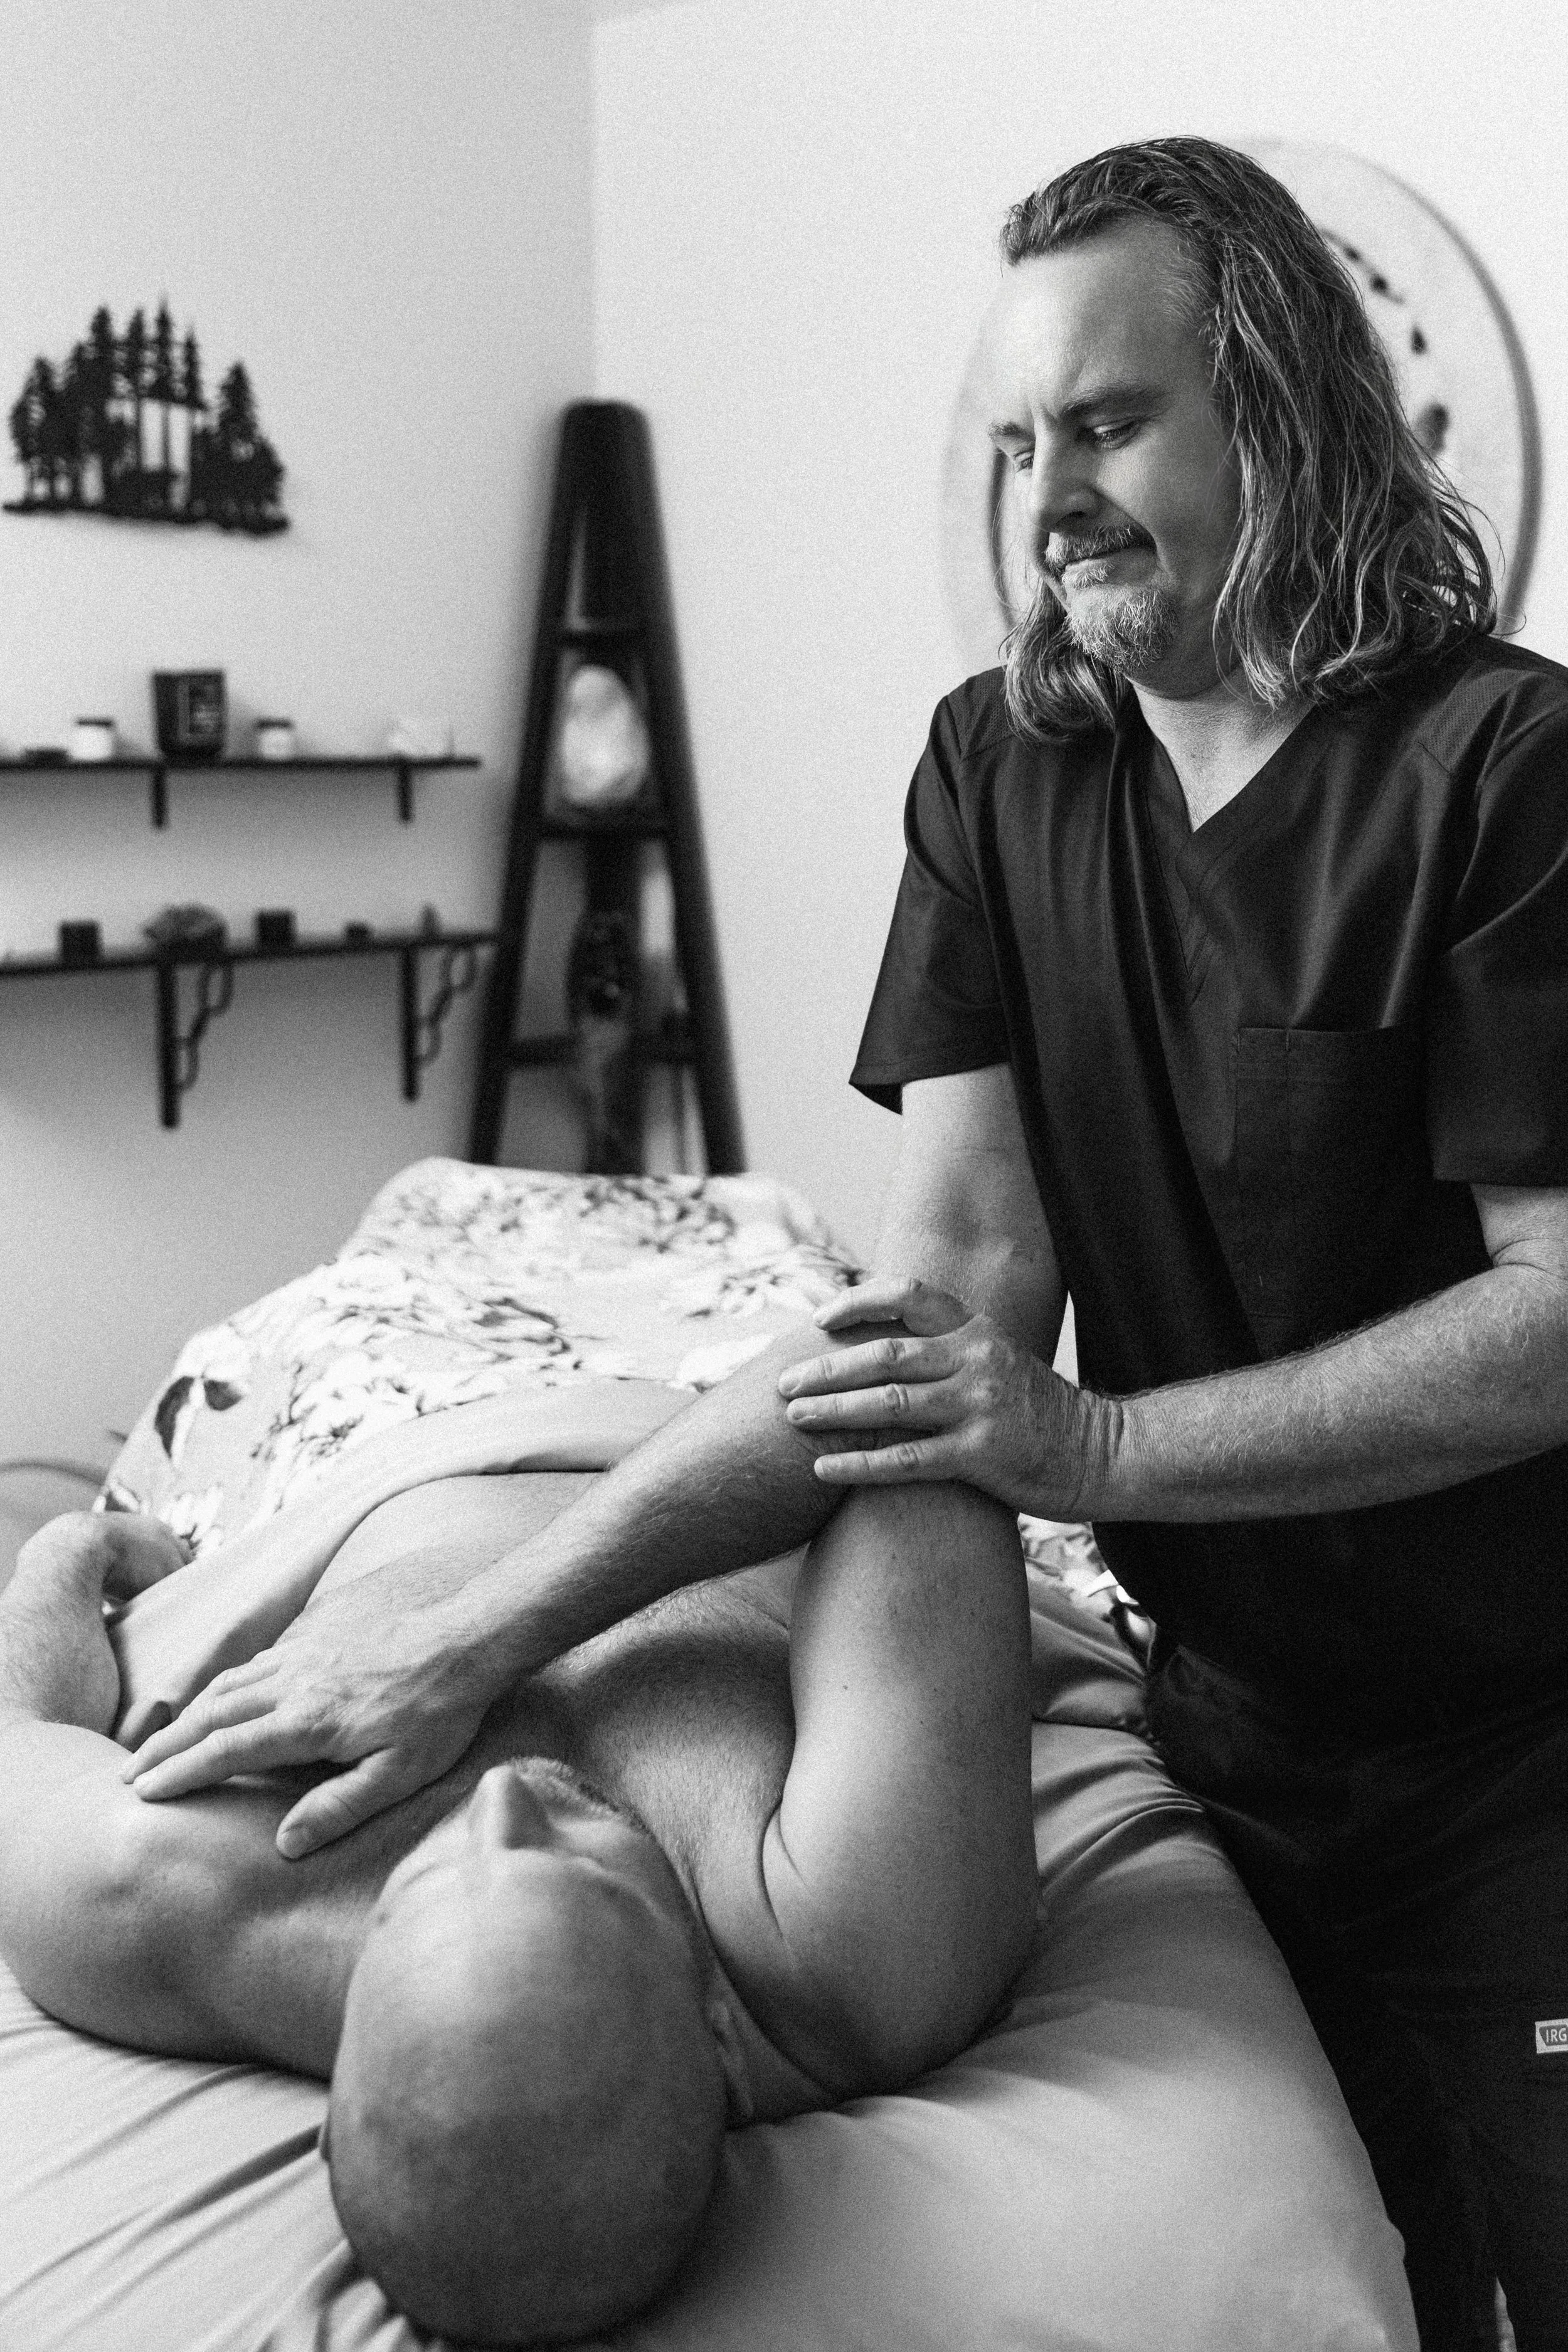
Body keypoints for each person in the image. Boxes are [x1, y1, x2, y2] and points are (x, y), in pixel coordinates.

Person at [114, 138, 1568, 2344]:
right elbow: (955, 1304)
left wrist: (1095, 1459)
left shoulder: (1504, 769)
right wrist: (475, 1635)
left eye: (1103, 424)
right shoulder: (1002, 771)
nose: (1048, 498)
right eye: (1019, 446)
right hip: (1229, 1727)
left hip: (1516, 1753)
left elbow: (1556, 1318)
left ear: (1280, 411)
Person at [0, 1451, 1036, 2346]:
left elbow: (17, 1732)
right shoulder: (869, 1936)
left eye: (408, 1895)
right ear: (717, 2031)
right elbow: (921, 1400)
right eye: (584, 1873)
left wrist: (68, 1552)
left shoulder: (159, 1896)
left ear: (339, 2091)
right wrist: (483, 1634)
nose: (501, 1798)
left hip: (370, 1446)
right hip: (685, 1414)